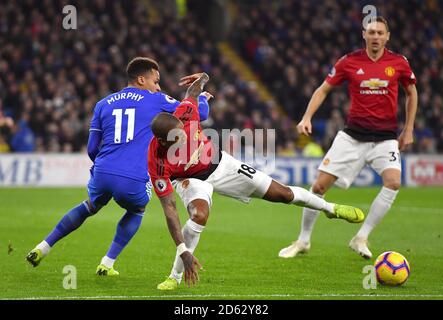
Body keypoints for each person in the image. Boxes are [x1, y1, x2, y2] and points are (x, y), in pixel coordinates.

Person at [147, 73, 365, 290]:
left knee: (284, 194)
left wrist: (203, 77)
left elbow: (193, 91)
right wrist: (183, 249)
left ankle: (329, 208)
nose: (184, 138)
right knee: (199, 215)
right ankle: (175, 276)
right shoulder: (156, 161)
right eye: (178, 139)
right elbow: (169, 208)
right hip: (189, 179)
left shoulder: (185, 113)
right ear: (163, 141)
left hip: (221, 163)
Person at [26, 57, 211, 276]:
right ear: (142, 80)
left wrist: (101, 168)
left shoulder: (103, 103)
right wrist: (204, 98)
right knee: (136, 210)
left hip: (103, 171)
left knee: (90, 206)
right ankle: (107, 263)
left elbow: (92, 148)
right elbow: (200, 115)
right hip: (134, 177)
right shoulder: (156, 99)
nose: (158, 86)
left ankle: (42, 247)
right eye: (156, 81)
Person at [279, 16, 418, 260]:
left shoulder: (399, 63)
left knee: (394, 182)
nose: (375, 36)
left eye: (380, 33)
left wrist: (408, 129)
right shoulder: (349, 61)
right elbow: (323, 89)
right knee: (319, 186)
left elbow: (411, 92)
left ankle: (361, 237)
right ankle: (303, 240)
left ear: (387, 37)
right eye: (371, 32)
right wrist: (307, 117)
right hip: (352, 136)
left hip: (385, 138)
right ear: (364, 35)